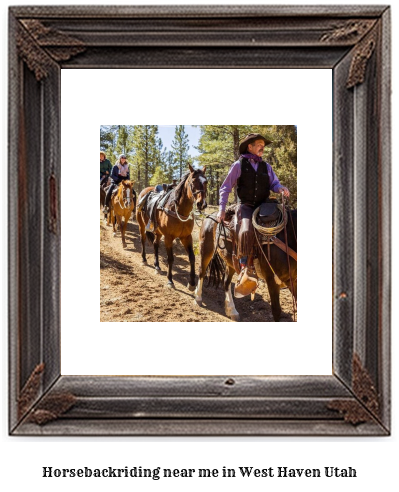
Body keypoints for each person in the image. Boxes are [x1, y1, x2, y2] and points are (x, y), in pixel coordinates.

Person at [216, 133, 290, 296]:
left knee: (285, 222)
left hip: (265, 205)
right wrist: (221, 209)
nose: (262, 147)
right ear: (250, 146)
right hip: (247, 206)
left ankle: (280, 266)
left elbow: (274, 184)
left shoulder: (266, 166)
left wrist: (281, 188)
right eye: (259, 144)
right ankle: (245, 269)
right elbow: (225, 187)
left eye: (263, 144)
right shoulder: (238, 165)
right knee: (246, 230)